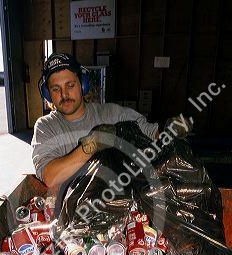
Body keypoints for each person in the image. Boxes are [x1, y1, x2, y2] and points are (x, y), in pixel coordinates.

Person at [32, 53, 188, 189]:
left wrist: (169, 131)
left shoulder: (112, 114)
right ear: (48, 93)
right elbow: (50, 178)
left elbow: (150, 133)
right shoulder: (45, 126)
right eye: (56, 89)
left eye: (70, 85)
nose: (64, 94)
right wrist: (89, 147)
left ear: (83, 85)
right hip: (74, 208)